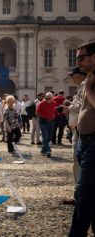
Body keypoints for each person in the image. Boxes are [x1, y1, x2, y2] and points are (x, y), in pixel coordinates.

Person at [69, 41, 95, 237]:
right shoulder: (89, 78)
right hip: (85, 141)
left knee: (84, 195)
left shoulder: (90, 83)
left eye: (80, 57)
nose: (77, 61)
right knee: (88, 192)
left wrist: (88, 90)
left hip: (93, 143)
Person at [61, 66, 87, 206]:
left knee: (78, 163)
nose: (71, 78)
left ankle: (79, 195)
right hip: (78, 129)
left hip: (79, 130)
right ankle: (79, 193)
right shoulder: (82, 86)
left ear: (78, 75)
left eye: (73, 75)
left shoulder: (84, 85)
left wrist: (68, 108)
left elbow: (79, 107)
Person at [36, 92, 57, 158]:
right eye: (46, 98)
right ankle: (48, 151)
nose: (47, 100)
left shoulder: (54, 103)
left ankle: (43, 149)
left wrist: (54, 115)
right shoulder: (41, 103)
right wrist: (44, 116)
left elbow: (54, 111)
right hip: (43, 122)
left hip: (51, 122)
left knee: (50, 137)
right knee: (45, 136)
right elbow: (37, 112)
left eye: (49, 98)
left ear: (52, 98)